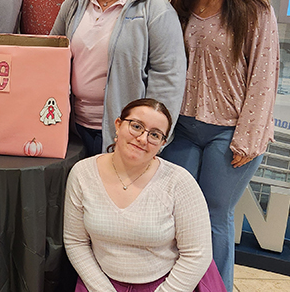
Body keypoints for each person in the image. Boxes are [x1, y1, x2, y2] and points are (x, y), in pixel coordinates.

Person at [161, 0, 279, 292]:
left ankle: (216, 288)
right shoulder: (175, 7)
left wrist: (248, 137)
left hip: (228, 134)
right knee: (177, 216)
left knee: (214, 216)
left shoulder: (253, 8)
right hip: (181, 129)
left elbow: (264, 76)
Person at [51, 0, 186, 157]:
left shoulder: (156, 9)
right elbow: (51, 55)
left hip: (127, 136)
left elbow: (168, 78)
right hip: (72, 128)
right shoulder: (75, 2)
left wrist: (152, 136)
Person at [64, 98, 224, 292]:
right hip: (100, 284)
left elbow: (197, 254)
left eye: (154, 134)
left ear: (163, 143)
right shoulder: (82, 173)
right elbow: (76, 242)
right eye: (136, 126)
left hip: (168, 285)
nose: (142, 138)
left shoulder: (179, 182)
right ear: (118, 125)